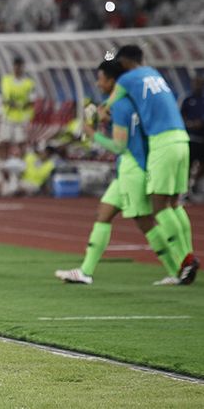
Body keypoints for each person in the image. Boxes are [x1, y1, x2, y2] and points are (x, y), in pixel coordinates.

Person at [57, 59, 184, 285]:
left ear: (113, 80)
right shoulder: (131, 102)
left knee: (144, 221)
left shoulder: (121, 105)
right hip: (131, 166)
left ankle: (177, 270)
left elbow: (119, 146)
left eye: (101, 78)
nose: (97, 83)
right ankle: (85, 271)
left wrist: (91, 133)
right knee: (103, 213)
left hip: (132, 167)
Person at [101, 45, 198, 284]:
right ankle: (187, 258)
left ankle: (186, 260)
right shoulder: (154, 73)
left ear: (123, 62)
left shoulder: (127, 78)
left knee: (159, 207)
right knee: (174, 203)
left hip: (162, 143)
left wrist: (100, 115)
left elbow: (108, 106)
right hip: (182, 139)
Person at [0, 56, 35, 157]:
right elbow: (4, 98)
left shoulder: (29, 83)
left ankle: (21, 164)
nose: (17, 68)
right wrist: (11, 104)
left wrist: (21, 105)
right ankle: (5, 164)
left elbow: (31, 100)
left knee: (21, 142)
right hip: (8, 116)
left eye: (20, 66)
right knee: (5, 142)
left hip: (22, 118)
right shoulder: (6, 80)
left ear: (23, 67)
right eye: (16, 66)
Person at [181, 76, 204, 197]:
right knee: (188, 164)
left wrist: (200, 123)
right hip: (189, 138)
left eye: (199, 84)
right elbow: (181, 115)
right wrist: (189, 123)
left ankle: (195, 183)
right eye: (195, 84)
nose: (197, 86)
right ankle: (186, 189)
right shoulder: (188, 100)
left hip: (202, 139)